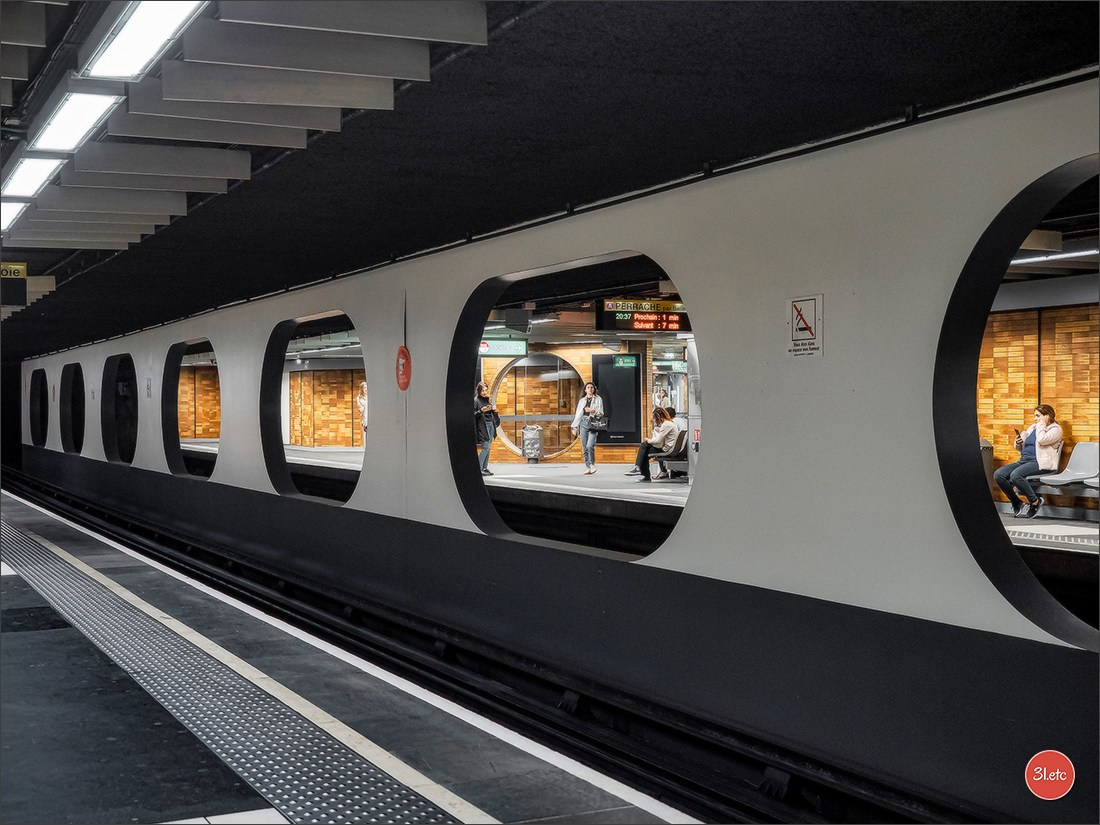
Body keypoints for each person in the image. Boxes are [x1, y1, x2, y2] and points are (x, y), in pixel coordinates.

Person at [993, 404, 1063, 519]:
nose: (1035, 419)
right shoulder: (1033, 428)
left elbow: (1042, 440)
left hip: (1040, 463)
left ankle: (1035, 501)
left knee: (1016, 475)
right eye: (1034, 416)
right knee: (998, 474)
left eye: (1038, 416)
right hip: (1024, 460)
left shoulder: (1056, 429)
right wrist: (1019, 442)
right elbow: (1022, 448)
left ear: (1047, 416)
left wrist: (1042, 424)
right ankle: (1017, 502)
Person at [625, 407, 677, 482]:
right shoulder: (669, 424)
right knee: (644, 448)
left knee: (644, 449)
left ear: (658, 417)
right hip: (667, 446)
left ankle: (641, 471)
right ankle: (639, 469)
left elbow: (658, 440)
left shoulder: (666, 425)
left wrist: (648, 440)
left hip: (666, 448)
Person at [570, 381, 604, 474]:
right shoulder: (582, 400)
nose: (590, 389)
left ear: (594, 389)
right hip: (583, 422)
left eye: (592, 387)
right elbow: (578, 415)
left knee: (590, 445)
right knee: (584, 447)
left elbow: (601, 413)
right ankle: (588, 467)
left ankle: (592, 464)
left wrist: (593, 411)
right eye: (588, 387)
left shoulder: (598, 399)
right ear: (585, 390)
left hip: (593, 422)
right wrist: (574, 427)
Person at [655, 406, 687, 479]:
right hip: (683, 447)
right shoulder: (683, 420)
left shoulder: (670, 423)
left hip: (675, 448)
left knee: (659, 448)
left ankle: (663, 472)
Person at [474, 381, 498, 476]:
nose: (485, 392)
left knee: (488, 448)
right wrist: (481, 410)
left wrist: (494, 410)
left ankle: (484, 468)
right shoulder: (476, 401)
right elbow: (473, 415)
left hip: (490, 424)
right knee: (485, 447)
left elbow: (491, 414)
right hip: (483, 426)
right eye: (483, 390)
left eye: (486, 390)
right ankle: (479, 468)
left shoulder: (486, 400)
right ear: (479, 391)